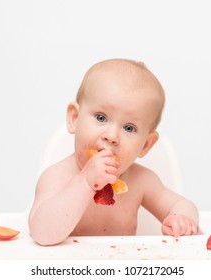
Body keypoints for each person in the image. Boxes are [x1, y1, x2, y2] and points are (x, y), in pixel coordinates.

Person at [28, 58, 199, 246]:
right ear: (75, 119)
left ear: (145, 145)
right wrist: (85, 181)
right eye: (101, 117)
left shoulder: (141, 181)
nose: (112, 136)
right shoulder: (56, 177)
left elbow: (182, 205)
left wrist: (181, 219)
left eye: (129, 128)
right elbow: (41, 233)